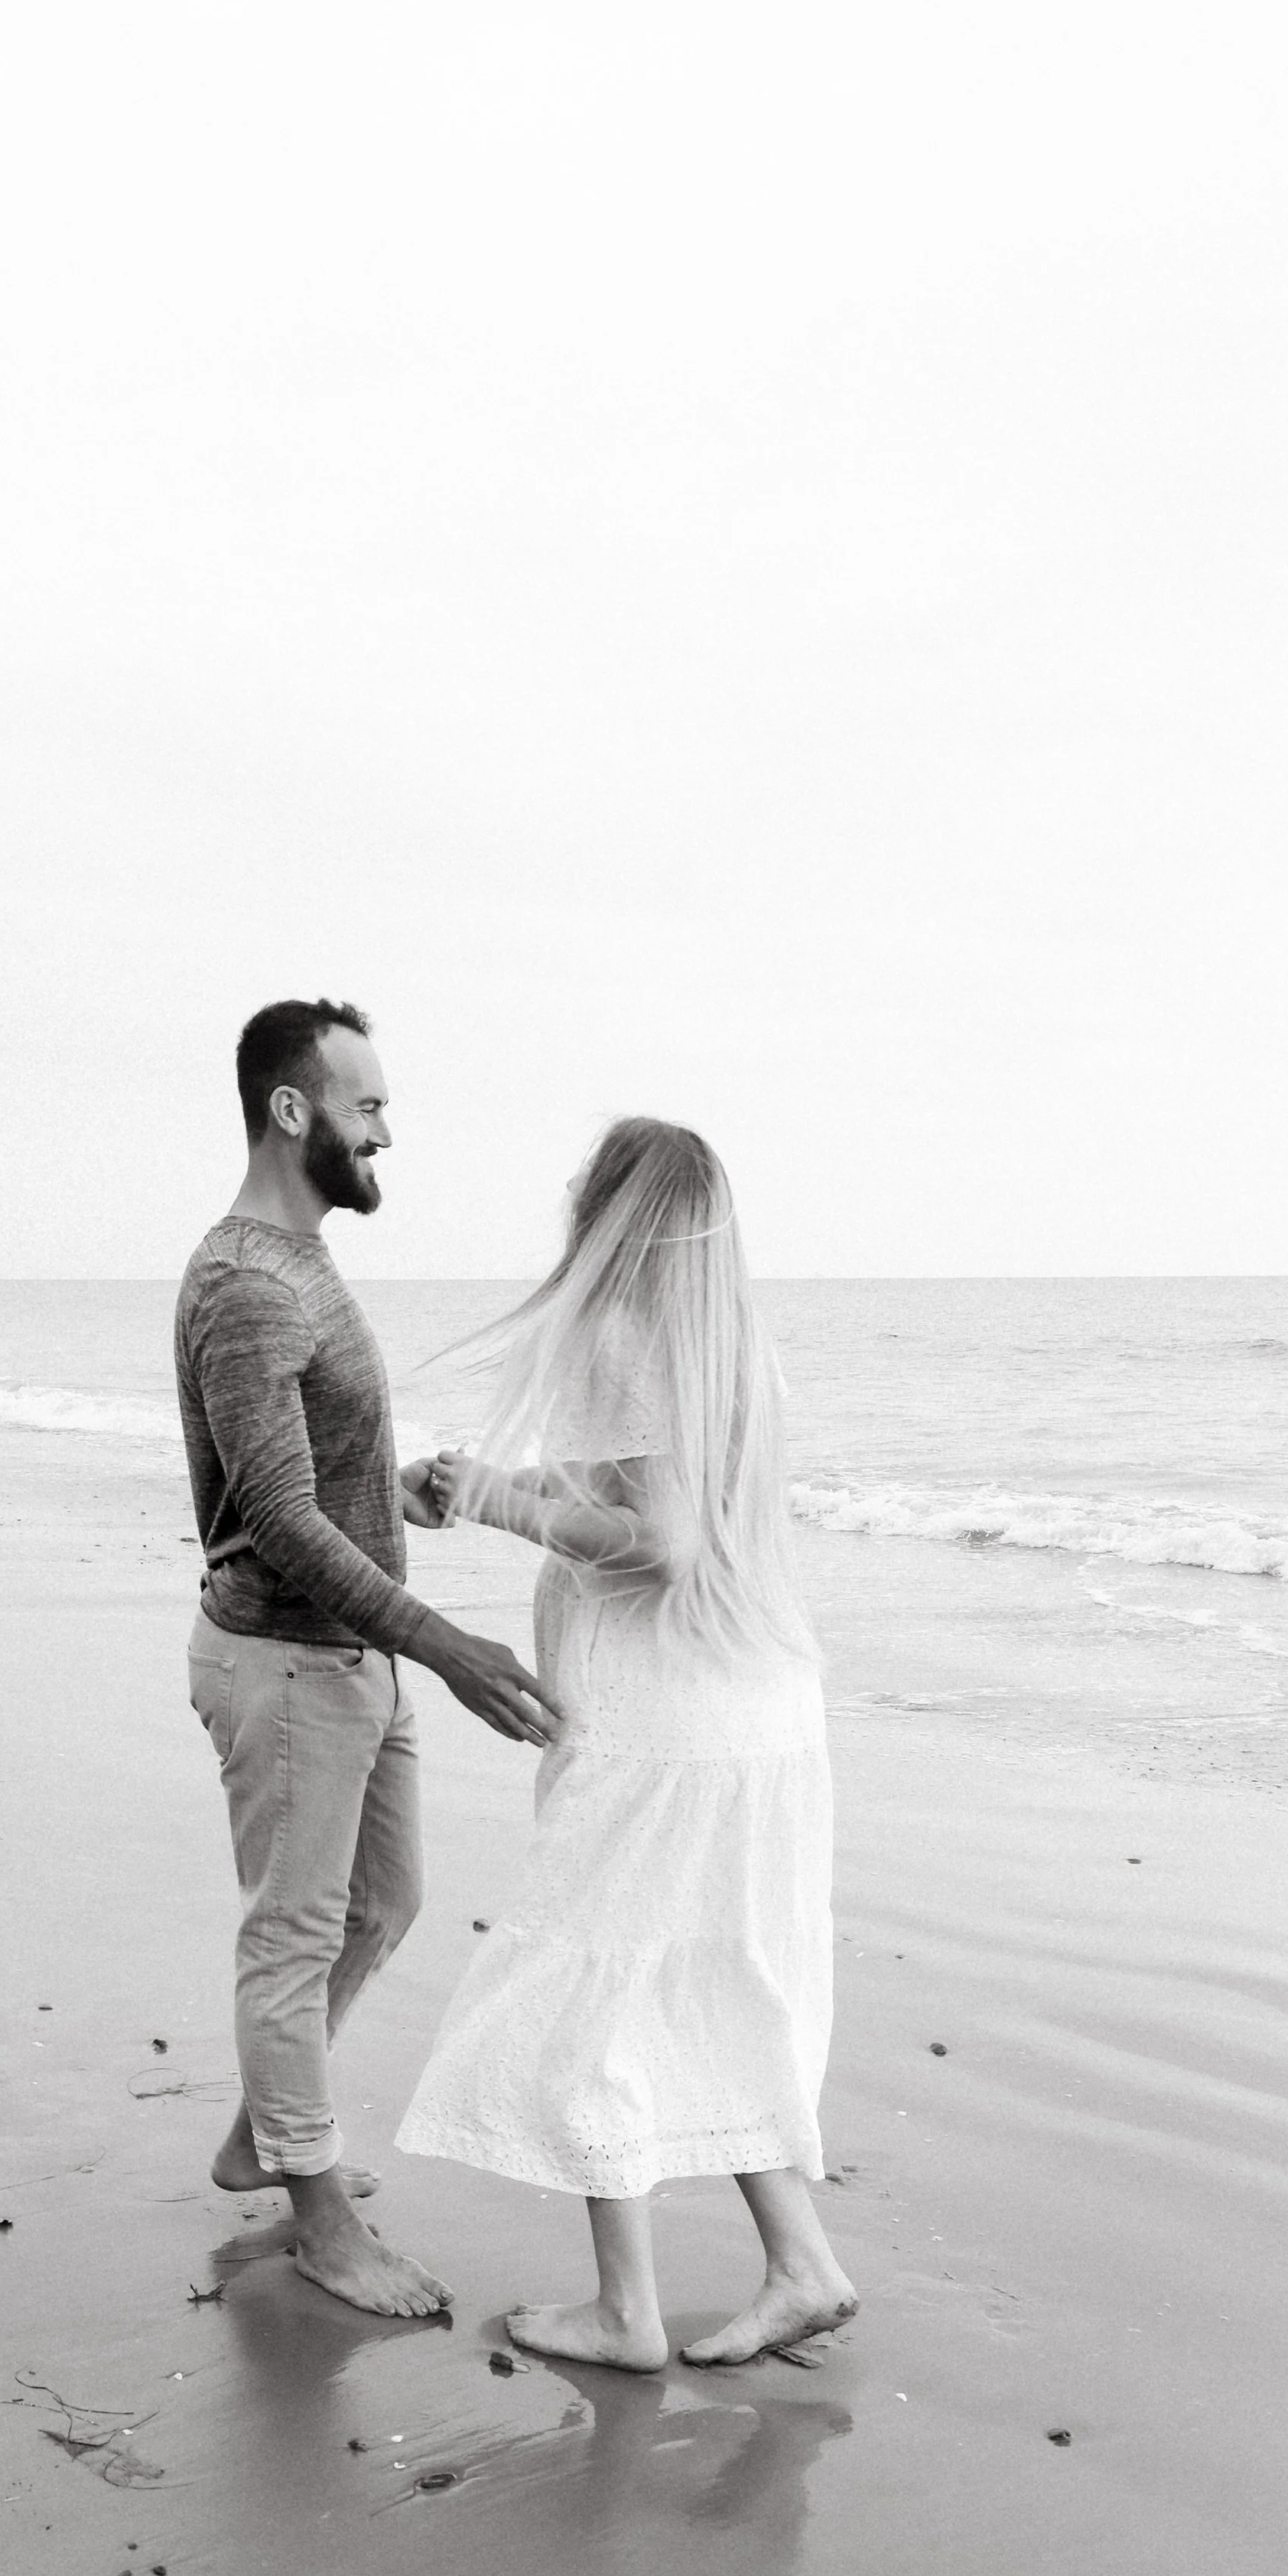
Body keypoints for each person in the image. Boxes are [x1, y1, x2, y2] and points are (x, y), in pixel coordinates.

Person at [395, 1115, 857, 2369]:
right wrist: (502, 1484)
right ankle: (802, 2265)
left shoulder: (616, 1333)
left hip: (665, 1726)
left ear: (609, 1212)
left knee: (593, 1989)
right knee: (706, 1979)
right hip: (759, 1713)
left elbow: (658, 1547)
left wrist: (492, 1498)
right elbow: (638, 1499)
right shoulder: (735, 1350)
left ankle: (625, 2312)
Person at [174, 997, 561, 2321]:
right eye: (369, 1106)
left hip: (348, 1656)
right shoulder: (247, 1284)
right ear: (296, 1111)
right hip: (288, 1665)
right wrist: (446, 1644)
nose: (388, 1131)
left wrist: (387, 1489)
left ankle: (261, 2134)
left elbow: (295, 1481)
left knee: (383, 1906)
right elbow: (273, 1521)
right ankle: (318, 2217)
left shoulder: (298, 1265)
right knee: (290, 1943)